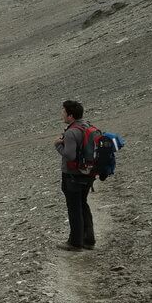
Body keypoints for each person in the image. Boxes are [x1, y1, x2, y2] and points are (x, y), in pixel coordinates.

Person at [55, 99, 95, 251]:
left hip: (72, 176)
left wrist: (57, 145)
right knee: (83, 204)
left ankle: (75, 242)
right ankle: (89, 239)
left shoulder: (71, 132)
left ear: (70, 115)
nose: (62, 114)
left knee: (74, 208)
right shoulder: (87, 126)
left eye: (63, 111)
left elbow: (70, 155)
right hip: (87, 173)